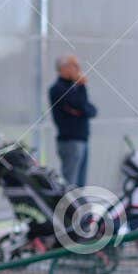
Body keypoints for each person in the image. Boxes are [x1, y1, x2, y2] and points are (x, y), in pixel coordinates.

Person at [49, 55, 98, 189]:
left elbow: (91, 110)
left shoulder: (74, 88)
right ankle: (67, 209)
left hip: (82, 140)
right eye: (74, 65)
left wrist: (82, 109)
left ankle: (78, 209)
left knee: (80, 183)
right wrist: (81, 86)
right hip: (70, 142)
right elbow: (81, 105)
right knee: (70, 183)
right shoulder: (58, 89)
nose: (78, 69)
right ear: (63, 68)